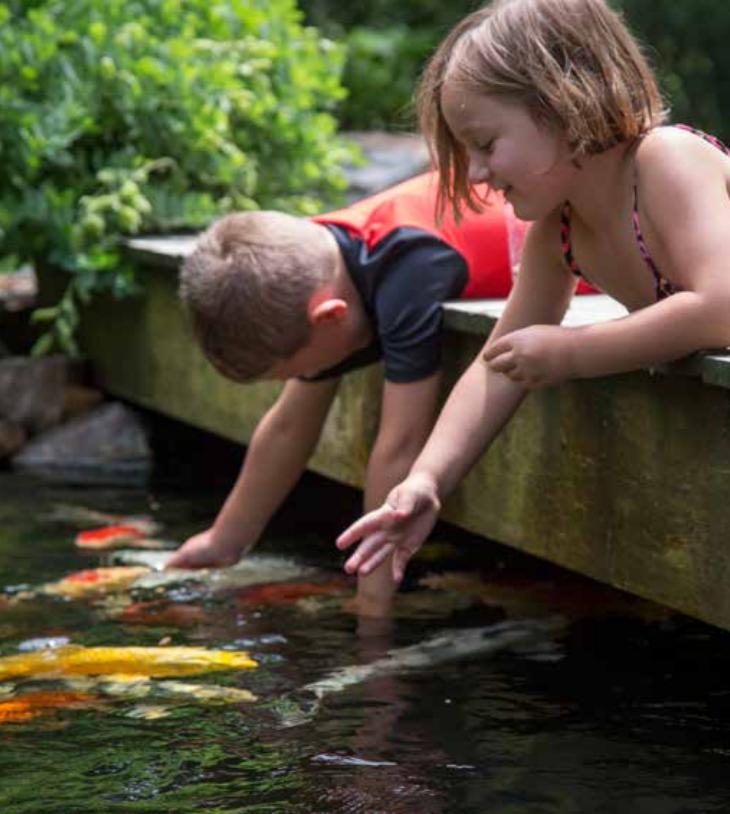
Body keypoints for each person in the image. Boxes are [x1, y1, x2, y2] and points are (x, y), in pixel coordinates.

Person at [336, 0, 730, 584]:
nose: (474, 174)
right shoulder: (559, 231)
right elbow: (499, 365)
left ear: (565, 104)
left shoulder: (665, 160)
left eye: (487, 144)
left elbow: (723, 306)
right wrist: (426, 479)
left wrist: (572, 352)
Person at [167, 170, 573, 617]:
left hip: (592, 253)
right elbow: (288, 424)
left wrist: (374, 601)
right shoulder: (314, 260)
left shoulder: (408, 269)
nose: (310, 377)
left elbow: (400, 444)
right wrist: (224, 541)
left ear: (329, 315)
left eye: (305, 368)